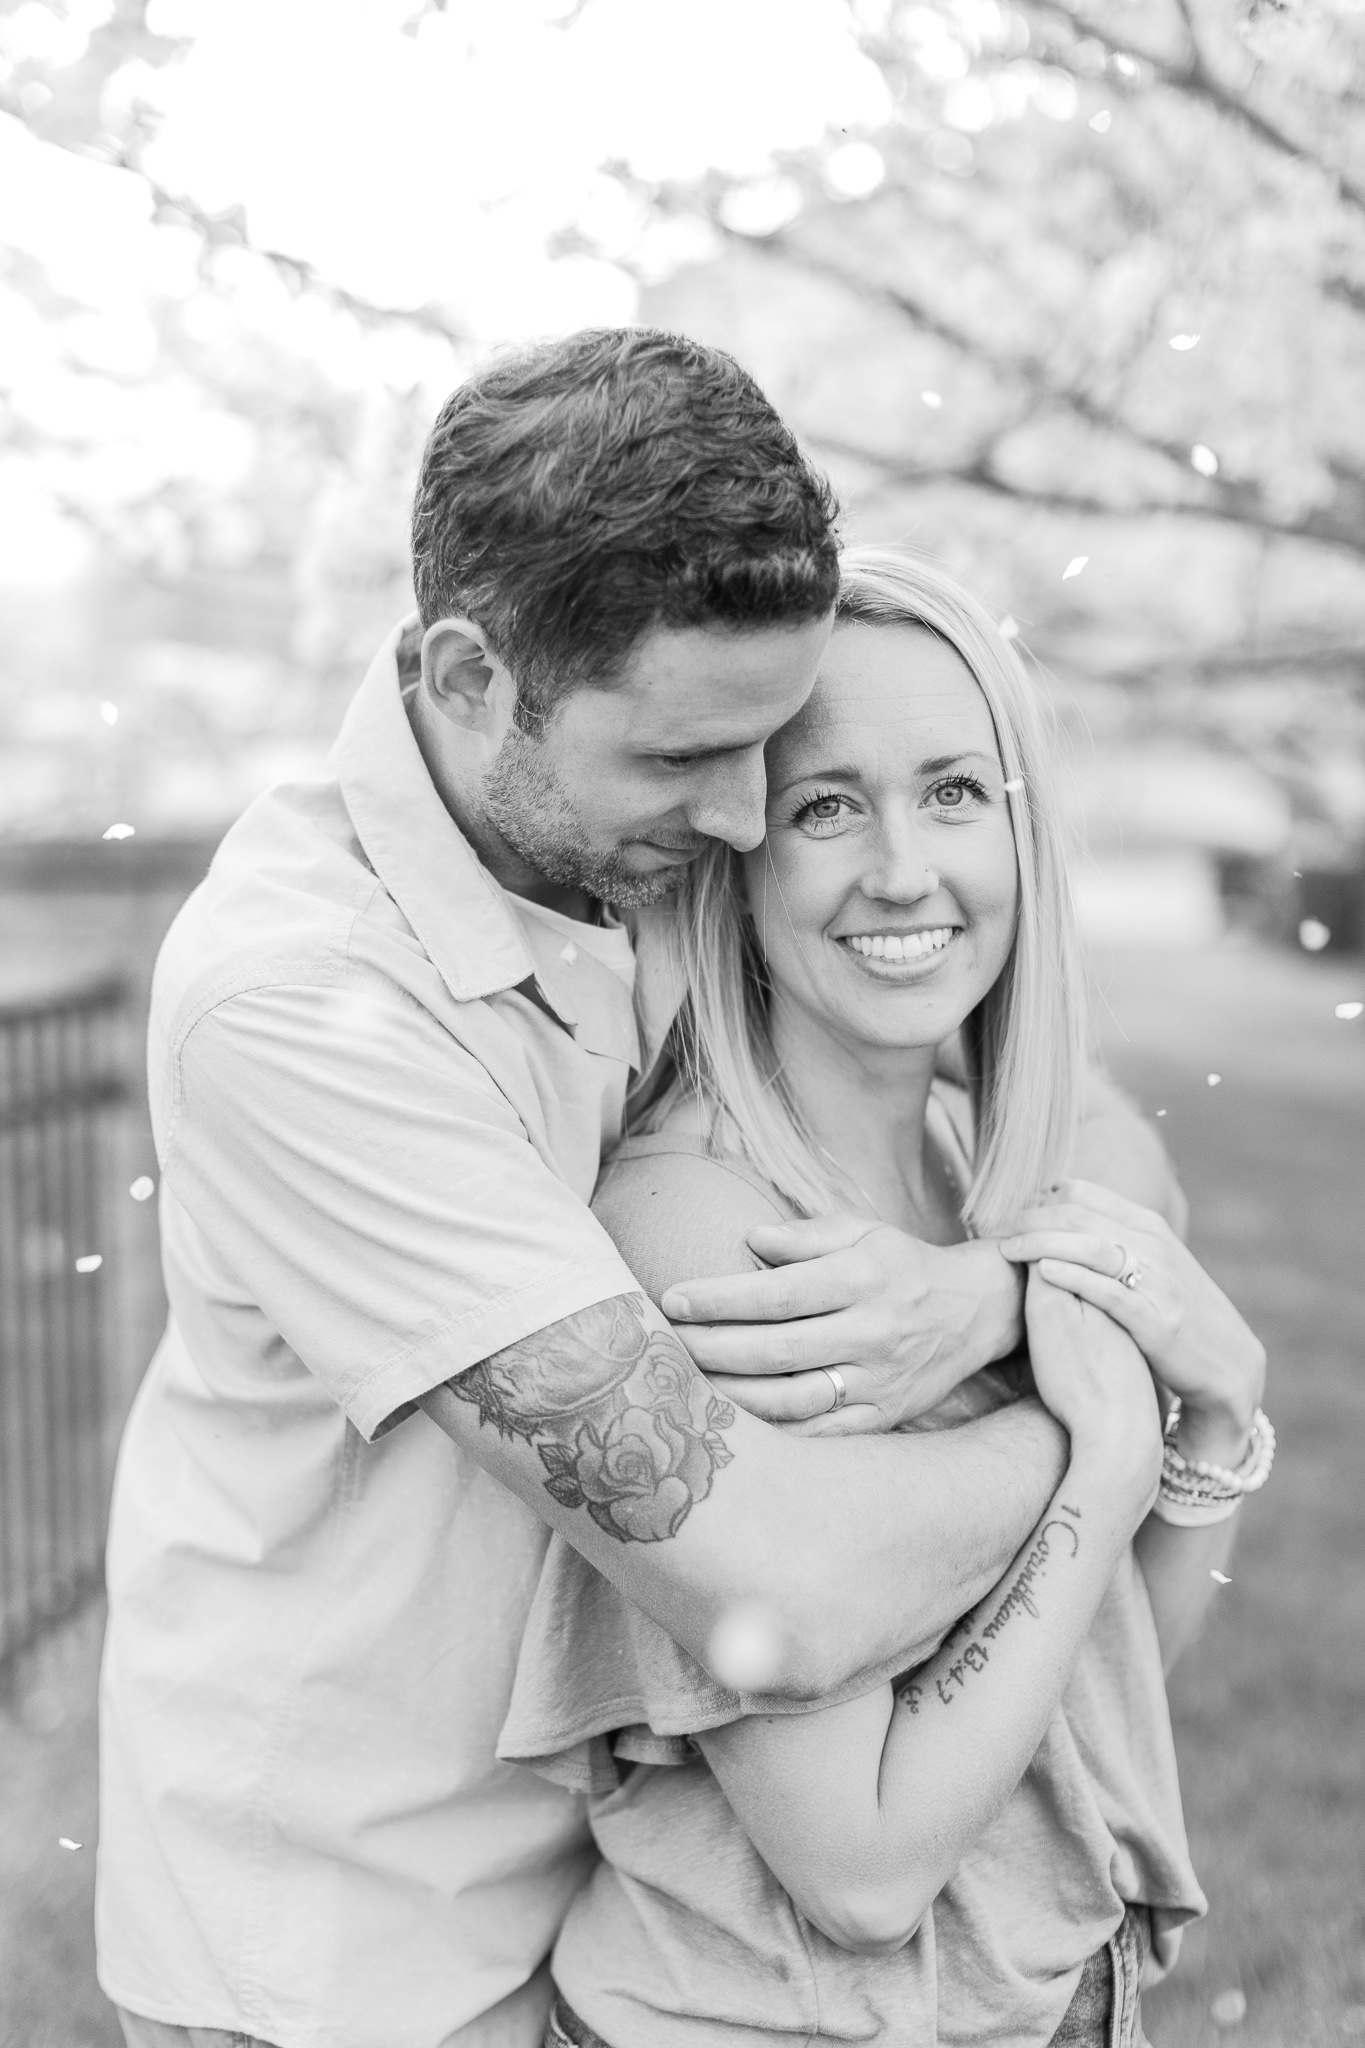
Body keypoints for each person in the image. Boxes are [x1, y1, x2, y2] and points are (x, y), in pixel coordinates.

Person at [97, 330, 1186, 2048]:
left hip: (618, 1896)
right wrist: (1102, 1423)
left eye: (772, 751)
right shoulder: (308, 1013)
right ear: (469, 676)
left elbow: (1082, 1105)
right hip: (357, 1941)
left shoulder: (620, 859)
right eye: (688, 756)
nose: (751, 819)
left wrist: (985, 1294)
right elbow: (782, 1594)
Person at [494, 550, 1272, 2048]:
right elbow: (859, 1867)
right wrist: (1101, 1452)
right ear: (734, 852)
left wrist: (1216, 1426)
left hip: (1055, 1996)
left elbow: (1107, 1678)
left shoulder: (976, 1168)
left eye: (955, 793)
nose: (904, 869)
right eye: (825, 806)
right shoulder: (711, 1237)